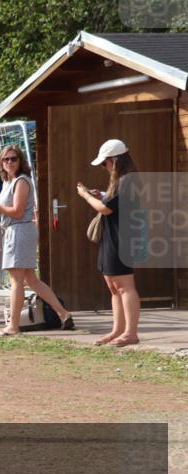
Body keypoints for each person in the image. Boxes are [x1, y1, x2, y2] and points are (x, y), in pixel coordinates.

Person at [0, 144, 74, 336]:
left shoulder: (21, 181)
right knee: (31, 279)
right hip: (17, 230)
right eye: (6, 159)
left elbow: (17, 211)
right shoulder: (9, 181)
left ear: (20, 160)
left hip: (20, 230)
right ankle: (64, 314)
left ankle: (13, 326)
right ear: (1, 161)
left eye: (13, 158)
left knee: (16, 280)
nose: (9, 162)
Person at [77, 139, 140, 347]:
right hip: (112, 236)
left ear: (114, 160)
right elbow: (113, 203)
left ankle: (130, 332)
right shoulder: (121, 180)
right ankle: (118, 330)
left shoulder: (127, 180)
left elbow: (106, 209)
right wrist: (102, 195)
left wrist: (86, 196)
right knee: (114, 286)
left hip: (122, 238)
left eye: (105, 163)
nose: (105, 168)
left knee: (125, 286)